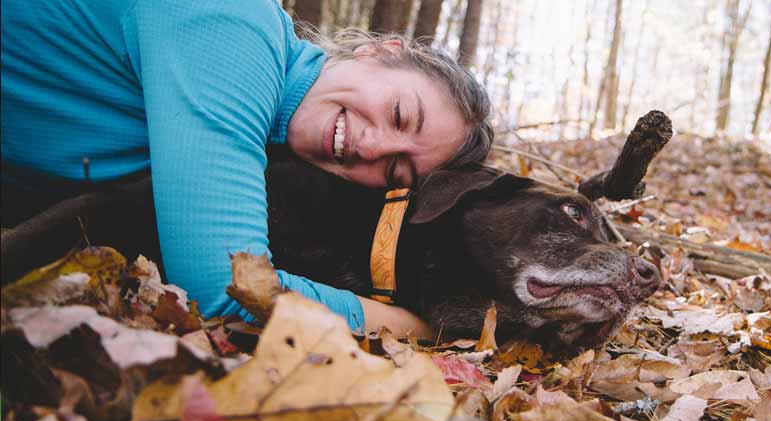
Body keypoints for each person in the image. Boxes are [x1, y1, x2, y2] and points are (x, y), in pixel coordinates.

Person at [0, 0, 494, 337]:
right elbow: (226, 289)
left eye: (395, 171)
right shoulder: (236, 32)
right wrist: (416, 325)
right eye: (399, 114)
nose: (372, 146)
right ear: (382, 52)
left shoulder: (266, 145)